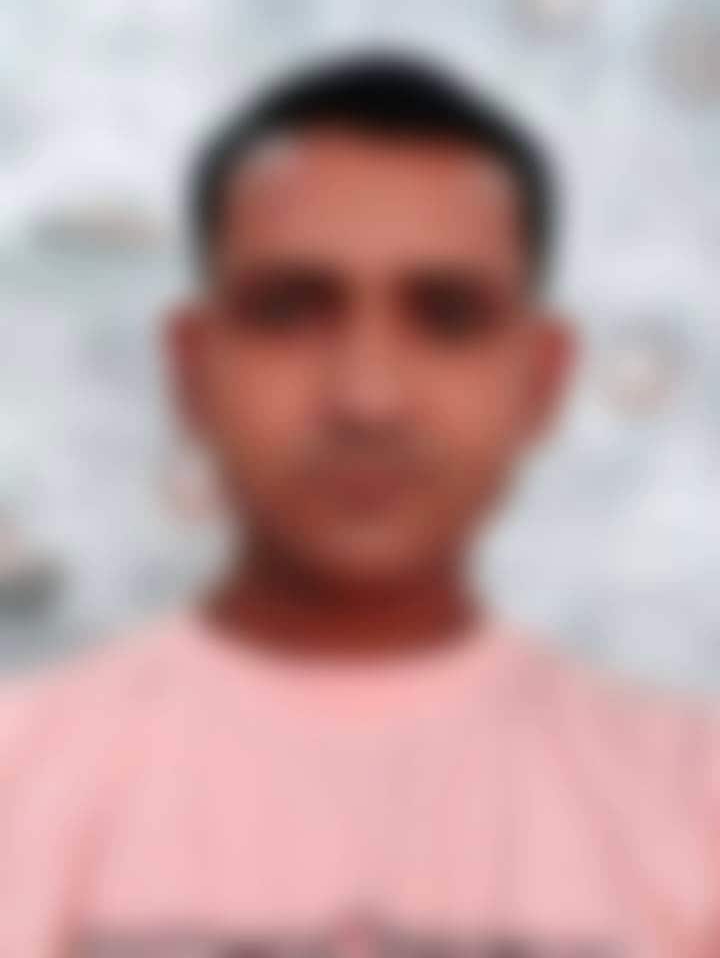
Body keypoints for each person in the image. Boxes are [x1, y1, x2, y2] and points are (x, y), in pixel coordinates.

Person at [1, 52, 718, 958]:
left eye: (448, 316)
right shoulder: (17, 788)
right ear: (192, 366)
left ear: (542, 378)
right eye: (289, 310)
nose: (367, 397)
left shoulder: (694, 810)